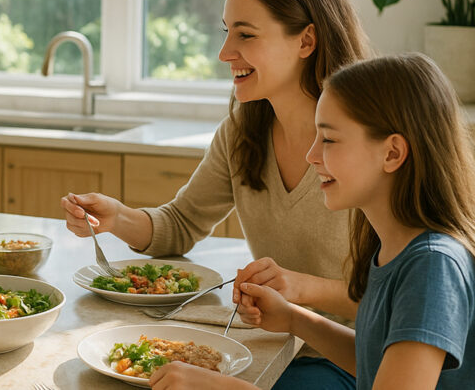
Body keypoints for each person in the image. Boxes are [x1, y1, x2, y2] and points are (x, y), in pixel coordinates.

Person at [59, 0, 370, 387]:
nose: (225, 53)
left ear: (306, 41)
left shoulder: (367, 142)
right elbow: (183, 222)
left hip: (349, 360)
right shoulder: (244, 130)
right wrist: (117, 218)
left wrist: (301, 289)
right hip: (264, 344)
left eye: (245, 34)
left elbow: (405, 293)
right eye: (226, 32)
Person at [150, 54, 475, 389]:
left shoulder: (433, 266)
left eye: (329, 139)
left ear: (392, 153)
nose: (311, 155)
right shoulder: (396, 250)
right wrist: (294, 318)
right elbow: (374, 360)